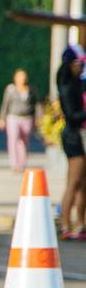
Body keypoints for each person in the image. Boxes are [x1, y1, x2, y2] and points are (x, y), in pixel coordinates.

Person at [56, 45, 86, 240]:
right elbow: (72, 116)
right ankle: (65, 224)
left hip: (81, 135)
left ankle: (80, 224)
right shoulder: (67, 88)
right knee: (74, 181)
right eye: (78, 64)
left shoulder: (79, 84)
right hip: (73, 137)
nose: (81, 68)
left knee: (83, 184)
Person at [0, 67, 38, 172]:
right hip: (13, 116)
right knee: (13, 140)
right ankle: (14, 164)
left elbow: (36, 104)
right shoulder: (10, 89)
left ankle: (22, 163)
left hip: (27, 117)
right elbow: (5, 104)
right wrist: (2, 118)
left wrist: (37, 118)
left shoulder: (31, 89)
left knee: (24, 141)